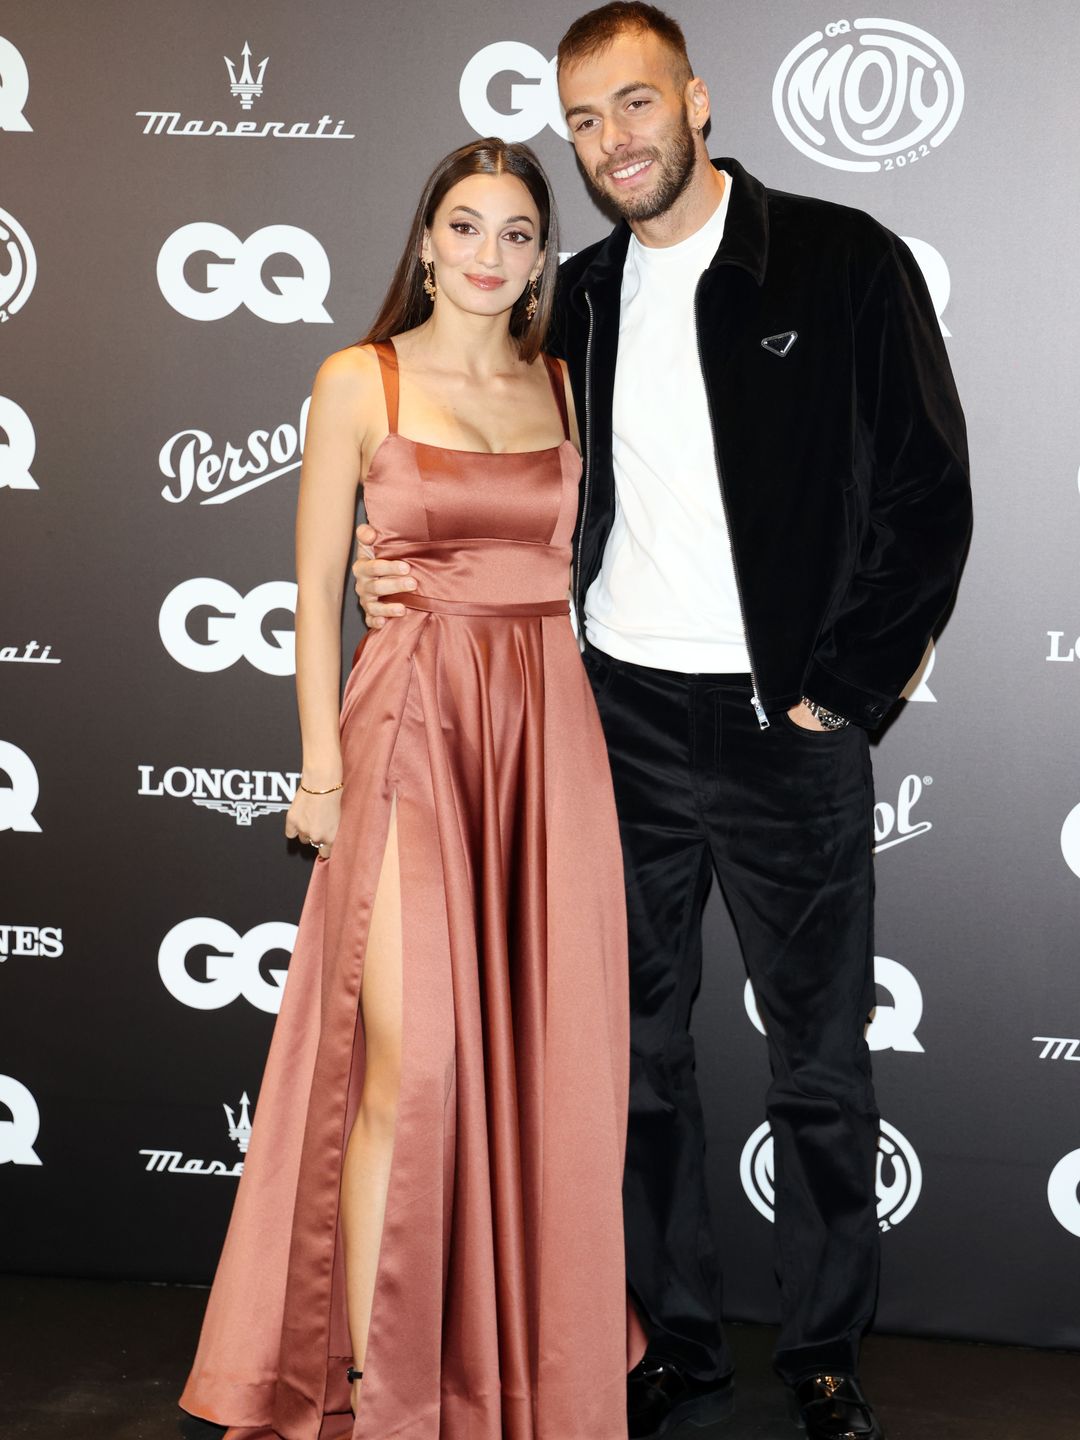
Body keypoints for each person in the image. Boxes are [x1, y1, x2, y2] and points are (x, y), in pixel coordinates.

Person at [353, 7, 972, 1440]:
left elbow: (929, 496)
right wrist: (394, 560)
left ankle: (823, 1348)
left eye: (634, 104)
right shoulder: (569, 296)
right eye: (584, 119)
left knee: (819, 1058)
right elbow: (462, 437)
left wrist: (848, 689)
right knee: (631, 1057)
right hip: (611, 717)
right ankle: (668, 1338)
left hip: (785, 729)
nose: (612, 141)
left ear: (695, 98)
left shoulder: (840, 261)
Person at [180, 137, 642, 1440]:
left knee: (549, 1069)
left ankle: (512, 1367)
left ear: (541, 255)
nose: (489, 255)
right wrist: (319, 768)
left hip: (546, 738)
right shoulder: (358, 378)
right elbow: (317, 582)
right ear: (424, 241)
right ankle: (374, 1380)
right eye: (465, 227)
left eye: (515, 233)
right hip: (409, 731)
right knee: (410, 1068)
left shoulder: (562, 384)